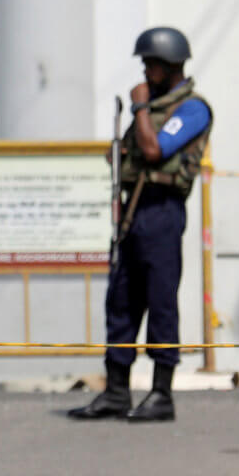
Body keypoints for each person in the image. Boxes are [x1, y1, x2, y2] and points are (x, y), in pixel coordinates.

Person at [69, 26, 212, 423]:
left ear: (170, 65)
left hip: (163, 211)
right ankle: (116, 391)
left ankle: (161, 393)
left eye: (152, 63)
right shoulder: (154, 105)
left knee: (160, 300)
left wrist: (139, 109)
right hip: (135, 211)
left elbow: (153, 150)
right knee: (121, 298)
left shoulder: (192, 109)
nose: (146, 70)